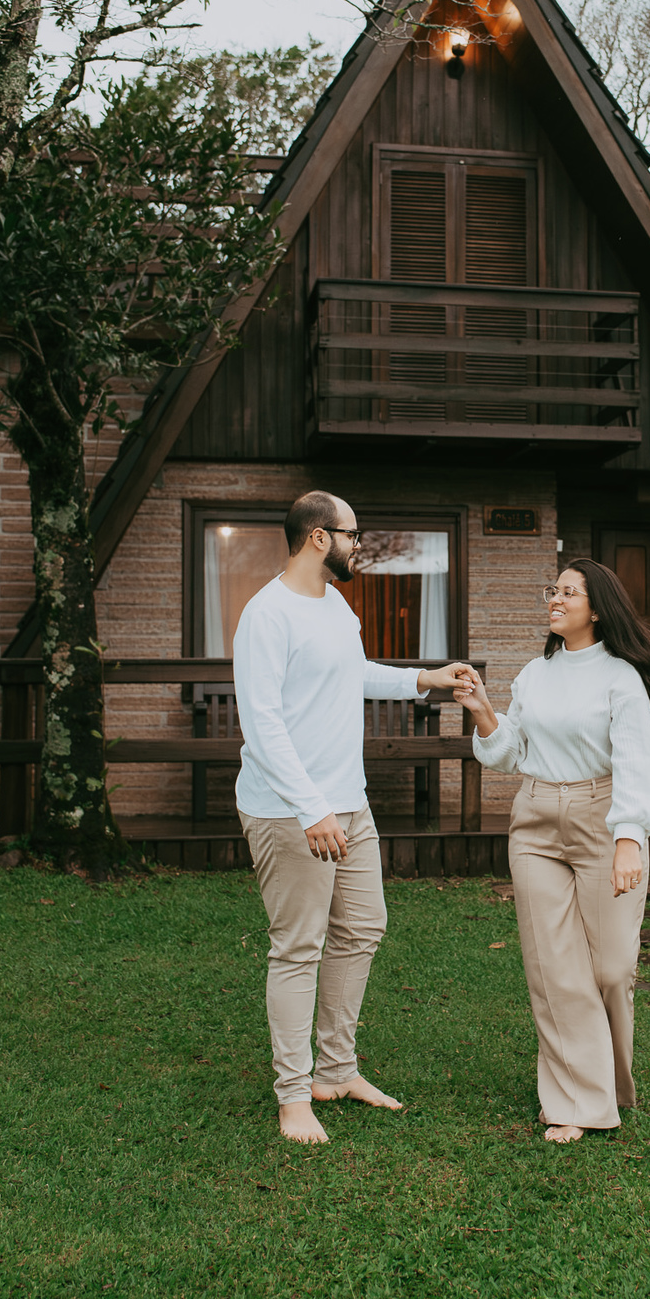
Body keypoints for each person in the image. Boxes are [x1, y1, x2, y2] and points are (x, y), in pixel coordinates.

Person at [233, 489, 470, 1145]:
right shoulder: (266, 615)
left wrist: (425, 680)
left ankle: (335, 1070)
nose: (358, 544)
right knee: (298, 947)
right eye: (352, 534)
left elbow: (351, 674)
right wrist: (311, 810)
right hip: (290, 811)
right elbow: (262, 724)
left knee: (363, 927)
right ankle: (292, 1095)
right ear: (318, 537)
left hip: (349, 802)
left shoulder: (334, 604)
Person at [453, 558, 650, 1143]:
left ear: (597, 606)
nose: (555, 599)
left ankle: (608, 1081)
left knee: (612, 968)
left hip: (601, 816)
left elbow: (637, 759)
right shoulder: (536, 674)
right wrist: (485, 709)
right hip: (535, 820)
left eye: (569, 591)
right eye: (552, 590)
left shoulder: (620, 677)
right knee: (554, 970)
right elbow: (511, 751)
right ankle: (574, 1101)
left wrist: (629, 839)